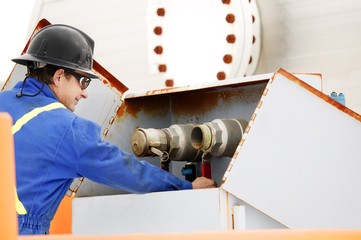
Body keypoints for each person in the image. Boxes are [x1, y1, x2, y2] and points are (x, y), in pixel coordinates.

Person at [0, 24, 216, 235]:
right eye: (83, 81)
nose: (85, 93)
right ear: (58, 77)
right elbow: (126, 170)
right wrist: (186, 189)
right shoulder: (67, 129)